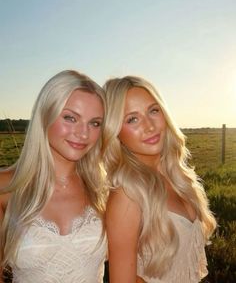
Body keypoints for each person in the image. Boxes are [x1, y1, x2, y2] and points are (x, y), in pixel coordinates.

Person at [102, 75, 216, 283]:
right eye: (132, 119)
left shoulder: (178, 176)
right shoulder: (127, 196)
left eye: (153, 110)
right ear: (115, 131)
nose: (149, 126)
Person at [0, 70, 108, 283]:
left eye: (95, 123)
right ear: (45, 116)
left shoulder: (105, 190)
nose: (83, 133)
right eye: (70, 118)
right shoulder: (5, 188)